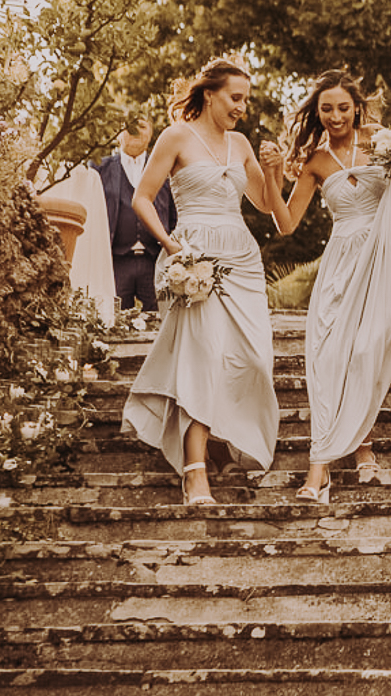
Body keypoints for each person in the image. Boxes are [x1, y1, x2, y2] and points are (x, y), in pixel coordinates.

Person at [261, 70, 391, 503]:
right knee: (329, 358)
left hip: (386, 256)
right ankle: (327, 465)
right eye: (327, 109)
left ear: (357, 107)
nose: (336, 116)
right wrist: (270, 175)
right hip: (341, 263)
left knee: (365, 350)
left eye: (343, 107)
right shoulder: (315, 161)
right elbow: (286, 224)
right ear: (317, 112)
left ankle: (355, 447)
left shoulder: (382, 140)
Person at [121, 58, 286, 506]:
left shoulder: (241, 143)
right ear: (210, 94)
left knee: (253, 358)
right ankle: (195, 470)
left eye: (246, 100)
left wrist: (273, 171)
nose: (242, 107)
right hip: (195, 258)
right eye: (236, 98)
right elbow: (142, 198)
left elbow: (266, 204)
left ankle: (219, 443)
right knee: (204, 356)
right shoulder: (176, 136)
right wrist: (172, 246)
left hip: (242, 259)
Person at [94, 116, 176, 313]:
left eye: (141, 126)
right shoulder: (100, 168)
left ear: (151, 134)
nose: (135, 131)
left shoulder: (165, 168)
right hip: (116, 260)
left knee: (161, 318)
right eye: (129, 127)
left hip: (155, 259)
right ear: (118, 135)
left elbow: (175, 212)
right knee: (114, 318)